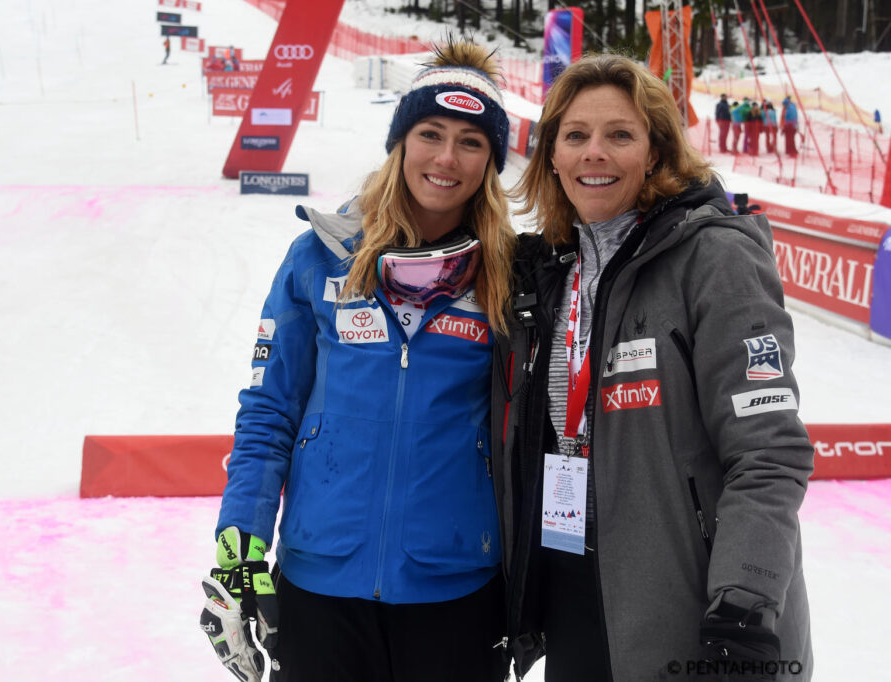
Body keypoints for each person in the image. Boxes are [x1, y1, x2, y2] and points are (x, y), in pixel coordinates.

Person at [201, 38, 516, 682]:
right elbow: (269, 410)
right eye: (430, 134)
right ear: (400, 143)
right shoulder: (319, 257)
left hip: (455, 585)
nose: (446, 158)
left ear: (491, 161)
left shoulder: (510, 274)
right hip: (321, 579)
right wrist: (240, 547)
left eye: (471, 142)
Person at [494, 53, 813, 681]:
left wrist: (744, 601)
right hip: (575, 595)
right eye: (575, 135)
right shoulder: (550, 271)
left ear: (656, 152)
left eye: (620, 134)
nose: (594, 152)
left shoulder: (714, 258)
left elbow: (768, 450)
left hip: (696, 608)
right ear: (552, 156)